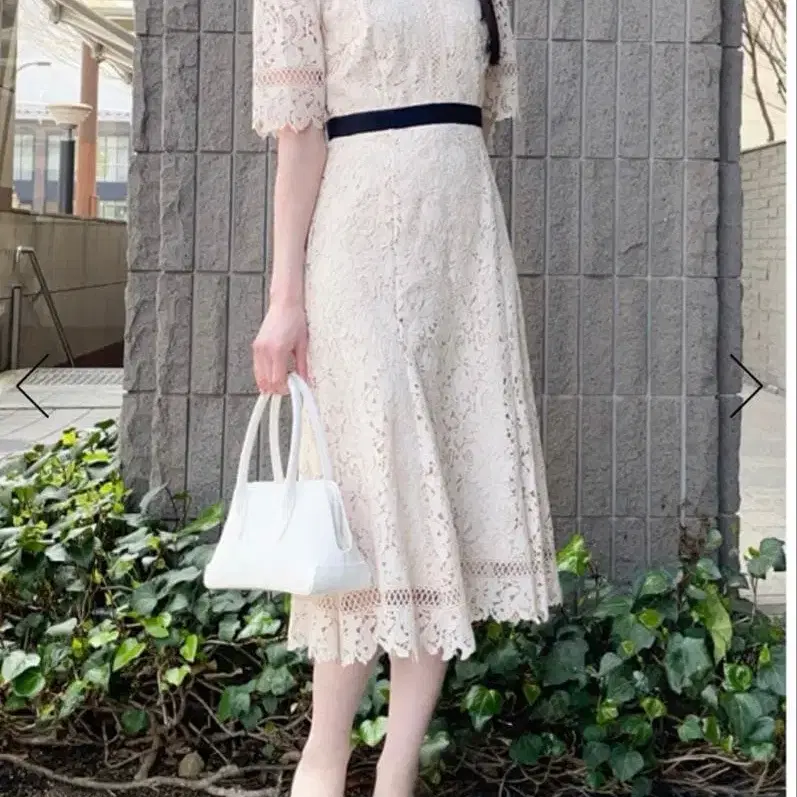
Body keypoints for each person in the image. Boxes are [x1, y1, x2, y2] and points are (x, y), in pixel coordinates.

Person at [249, 0, 562, 793]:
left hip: (461, 251)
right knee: (365, 501)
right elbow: (299, 139)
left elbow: (468, 119)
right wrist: (284, 298)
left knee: (441, 496)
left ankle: (397, 769)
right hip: (357, 245)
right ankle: (324, 756)